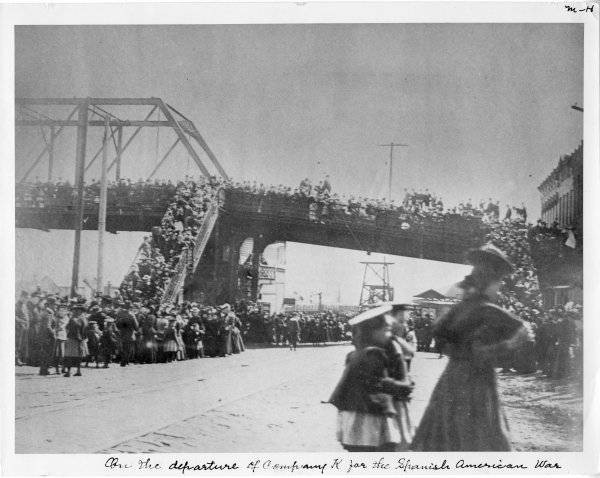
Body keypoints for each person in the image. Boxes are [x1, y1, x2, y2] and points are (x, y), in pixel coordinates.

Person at [410, 244, 530, 451]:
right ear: (488, 282)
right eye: (498, 283)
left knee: (446, 438)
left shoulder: (458, 309)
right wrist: (509, 345)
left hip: (450, 380)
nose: (499, 289)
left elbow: (441, 336)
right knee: (478, 439)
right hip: (477, 384)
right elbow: (519, 334)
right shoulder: (488, 310)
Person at [328, 304, 414, 452]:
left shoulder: (356, 353)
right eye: (386, 330)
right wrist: (405, 387)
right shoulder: (374, 354)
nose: (390, 334)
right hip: (365, 417)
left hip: (352, 413)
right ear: (372, 332)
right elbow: (379, 383)